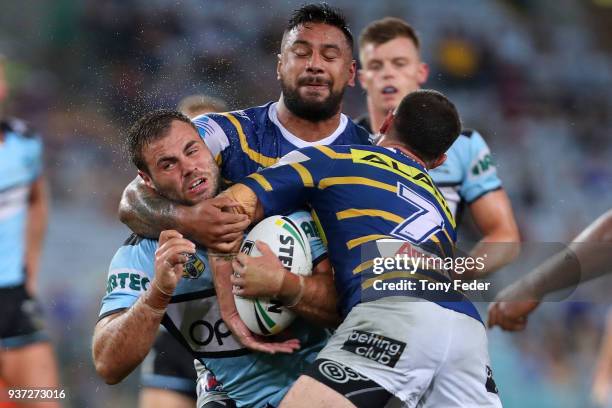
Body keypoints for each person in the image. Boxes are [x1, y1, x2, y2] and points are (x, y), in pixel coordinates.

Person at [211, 90, 502, 407]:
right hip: (467, 330)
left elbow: (227, 210)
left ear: (388, 120)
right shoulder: (442, 207)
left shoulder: (333, 159)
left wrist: (233, 299)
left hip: (393, 311)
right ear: (440, 160)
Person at [92, 110, 336, 408]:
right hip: (235, 400)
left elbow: (342, 311)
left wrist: (283, 285)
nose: (190, 168)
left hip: (325, 384)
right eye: (168, 164)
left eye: (192, 150)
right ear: (147, 181)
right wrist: (157, 294)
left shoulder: (275, 209)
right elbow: (108, 365)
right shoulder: (144, 254)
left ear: (209, 148)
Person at [118, 3, 371, 254]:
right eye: (301, 53)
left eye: (329, 56)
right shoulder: (225, 132)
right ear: (280, 67)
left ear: (350, 73)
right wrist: (191, 220)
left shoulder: (371, 153)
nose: (314, 65)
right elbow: (132, 201)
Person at [357, 18, 519, 277]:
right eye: (376, 65)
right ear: (362, 77)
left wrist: (453, 274)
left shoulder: (464, 146)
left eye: (399, 63)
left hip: (428, 298)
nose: (388, 73)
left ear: (421, 72)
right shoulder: (344, 140)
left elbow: (505, 236)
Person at [138, 95, 229, 408]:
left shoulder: (256, 195)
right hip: (177, 343)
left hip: (244, 351)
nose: (187, 164)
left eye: (196, 146)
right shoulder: (152, 209)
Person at [0, 54, 61, 408]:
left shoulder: (24, 144)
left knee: (42, 398)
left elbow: (38, 201)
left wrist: (31, 267)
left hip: (13, 298)